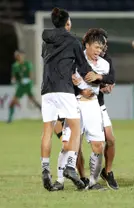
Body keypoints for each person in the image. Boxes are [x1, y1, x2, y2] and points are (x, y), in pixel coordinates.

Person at [53, 28, 119, 190]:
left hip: (93, 105)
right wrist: (78, 87)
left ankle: (92, 181)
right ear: (87, 45)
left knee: (98, 145)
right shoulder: (75, 59)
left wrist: (99, 78)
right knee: (68, 145)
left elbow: (111, 78)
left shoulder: (104, 63)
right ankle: (60, 181)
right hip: (74, 105)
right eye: (96, 47)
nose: (99, 51)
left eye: (101, 48)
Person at [40, 7, 97, 191]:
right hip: (64, 89)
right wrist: (94, 76)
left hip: (47, 90)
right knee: (75, 125)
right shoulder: (73, 40)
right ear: (67, 23)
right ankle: (71, 166)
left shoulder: (45, 41)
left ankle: (45, 169)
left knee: (47, 130)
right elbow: (82, 65)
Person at [8, 50, 41, 123]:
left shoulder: (27, 64)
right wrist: (13, 80)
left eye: (20, 55)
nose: (19, 57)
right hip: (21, 86)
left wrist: (26, 80)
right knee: (13, 102)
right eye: (17, 55)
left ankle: (43, 113)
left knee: (33, 100)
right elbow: (14, 76)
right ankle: (10, 118)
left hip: (27, 85)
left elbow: (30, 75)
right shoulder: (15, 66)